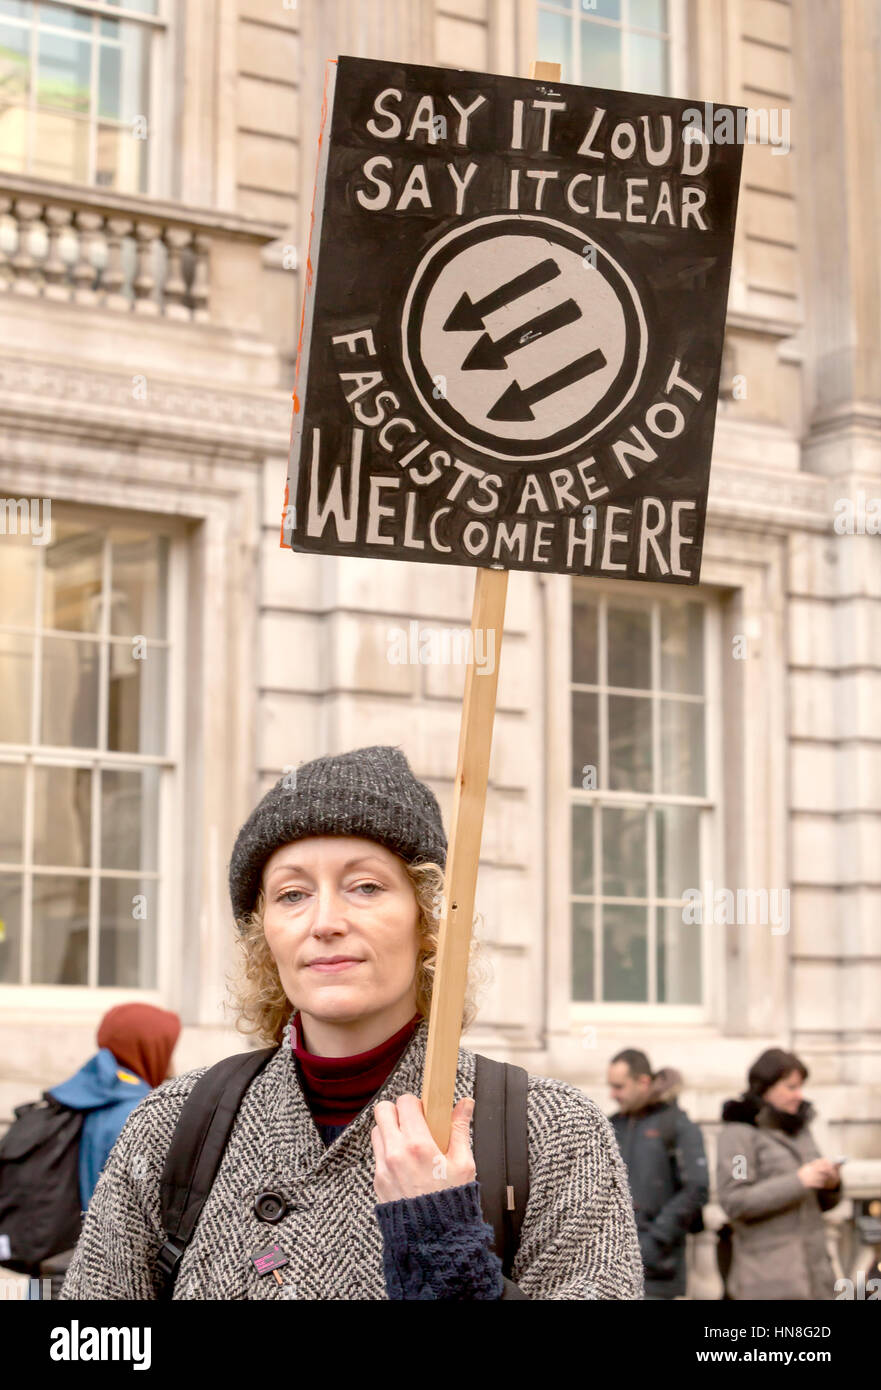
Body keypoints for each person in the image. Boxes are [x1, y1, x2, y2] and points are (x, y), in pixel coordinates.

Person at [61, 745, 644, 1300]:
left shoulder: (552, 1135)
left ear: (428, 918)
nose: (326, 922)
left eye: (365, 886)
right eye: (292, 894)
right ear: (263, 932)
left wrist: (443, 1241)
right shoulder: (174, 1127)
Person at [716, 1047, 842, 1300]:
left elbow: (824, 1203)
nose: (799, 1095)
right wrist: (799, 1181)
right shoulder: (739, 1136)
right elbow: (736, 1198)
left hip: (817, 1279)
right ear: (766, 1087)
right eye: (791, 1087)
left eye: (801, 1087)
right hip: (767, 1282)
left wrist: (831, 1183)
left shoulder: (800, 1129)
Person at [50, 1003, 181, 1214]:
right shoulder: (140, 1114)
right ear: (147, 1049)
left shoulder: (86, 1094)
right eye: (167, 1050)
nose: (172, 1064)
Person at [608, 1049, 709, 1300]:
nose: (613, 1094)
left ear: (643, 1082)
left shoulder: (676, 1124)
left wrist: (652, 1244)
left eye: (619, 1086)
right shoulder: (612, 1126)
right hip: (611, 1272)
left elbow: (697, 1187)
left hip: (657, 1275)